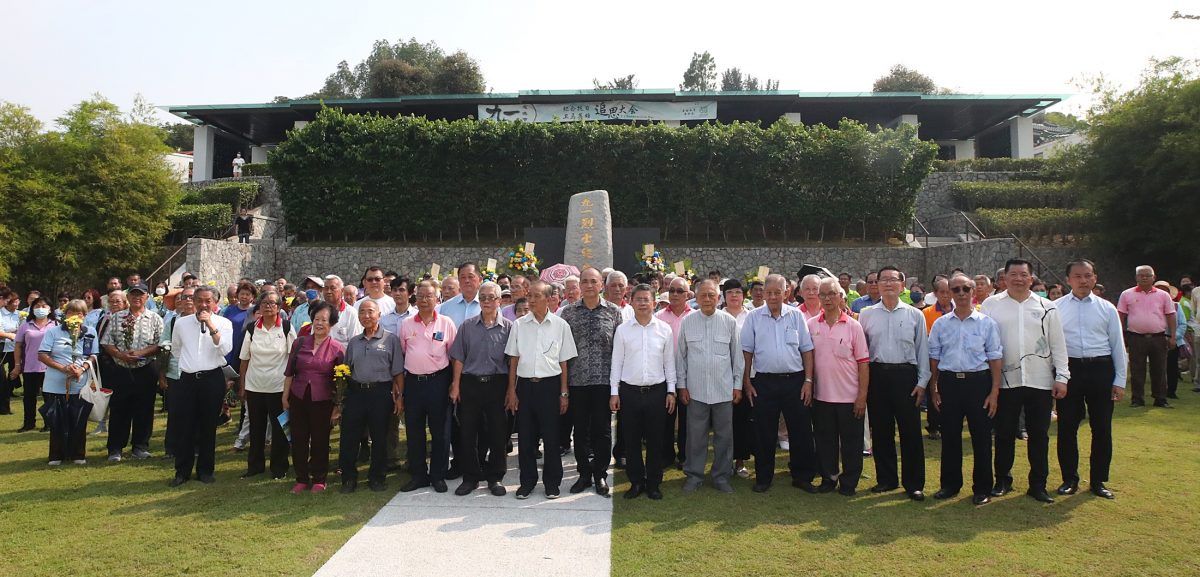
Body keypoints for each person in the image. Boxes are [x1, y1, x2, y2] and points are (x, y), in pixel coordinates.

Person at [981, 259, 1070, 504]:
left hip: (1039, 380)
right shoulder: (991, 305)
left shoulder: (1047, 306)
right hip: (1005, 382)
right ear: (1004, 278)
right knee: (1004, 433)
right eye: (1013, 274)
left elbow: (1058, 344)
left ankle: (1038, 484)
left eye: (1023, 274)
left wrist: (1062, 377)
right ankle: (1002, 480)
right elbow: (984, 342)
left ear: (1031, 278)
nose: (1018, 279)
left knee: (1039, 435)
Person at [928, 274, 1003, 506]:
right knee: (950, 436)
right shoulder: (941, 324)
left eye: (966, 289)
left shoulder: (986, 323)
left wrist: (994, 391)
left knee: (981, 437)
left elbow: (995, 357)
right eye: (956, 289)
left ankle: (982, 488)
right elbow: (934, 357)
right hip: (950, 383)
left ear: (974, 292)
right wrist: (934, 387)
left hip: (978, 383)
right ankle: (950, 485)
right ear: (949, 293)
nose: (961, 294)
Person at [740, 274, 819, 494]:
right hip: (764, 382)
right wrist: (747, 381)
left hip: (795, 381)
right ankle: (764, 477)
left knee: (800, 429)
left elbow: (806, 349)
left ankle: (802, 476)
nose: (773, 296)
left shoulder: (796, 316)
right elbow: (747, 351)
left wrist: (808, 381)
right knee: (764, 431)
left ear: (786, 292)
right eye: (769, 292)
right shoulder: (754, 317)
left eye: (778, 292)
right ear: (763, 293)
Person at [1055, 260, 1126, 500]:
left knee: (1102, 428)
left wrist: (1120, 380)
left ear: (1095, 278)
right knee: (1066, 427)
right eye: (1078, 276)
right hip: (1070, 370)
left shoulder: (1107, 308)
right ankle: (1069, 478)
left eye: (1088, 276)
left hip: (1101, 370)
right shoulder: (1055, 308)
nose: (1083, 281)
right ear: (1068, 279)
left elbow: (1118, 345)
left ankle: (1098, 480)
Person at [859, 266, 930, 501]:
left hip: (906, 376)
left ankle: (914, 483)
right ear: (876, 285)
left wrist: (922, 383)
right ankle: (886, 480)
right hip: (878, 376)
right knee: (881, 431)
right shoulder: (867, 314)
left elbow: (922, 350)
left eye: (893, 280)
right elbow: (863, 352)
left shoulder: (914, 314)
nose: (888, 284)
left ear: (902, 285)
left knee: (910, 432)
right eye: (883, 280)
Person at [504, 281, 577, 499]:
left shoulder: (560, 325)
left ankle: (552, 483)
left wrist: (564, 392)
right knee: (526, 438)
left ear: (549, 298)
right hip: (525, 387)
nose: (532, 300)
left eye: (537, 296)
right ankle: (527, 482)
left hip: (550, 386)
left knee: (551, 438)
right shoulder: (519, 325)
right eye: (530, 295)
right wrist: (511, 390)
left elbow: (564, 362)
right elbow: (513, 360)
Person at [558, 267, 623, 497]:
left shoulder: (614, 312)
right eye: (584, 281)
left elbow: (619, 351)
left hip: (604, 383)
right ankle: (584, 473)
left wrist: (617, 388)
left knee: (602, 431)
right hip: (577, 382)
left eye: (593, 281)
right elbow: (562, 353)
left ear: (601, 285)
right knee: (580, 431)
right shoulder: (567, 313)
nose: (588, 285)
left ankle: (600, 475)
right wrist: (564, 389)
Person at [677, 280, 743, 494]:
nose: (707, 299)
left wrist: (737, 385)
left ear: (718, 298)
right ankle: (694, 475)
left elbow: (737, 357)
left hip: (723, 390)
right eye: (703, 295)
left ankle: (721, 476)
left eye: (711, 295)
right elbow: (681, 357)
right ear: (695, 298)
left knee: (725, 436)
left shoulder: (729, 322)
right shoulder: (688, 322)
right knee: (696, 436)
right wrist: (682, 386)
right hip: (696, 391)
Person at [610, 284, 675, 500]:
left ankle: (654, 482)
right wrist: (614, 392)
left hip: (657, 391)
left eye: (647, 299)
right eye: (638, 299)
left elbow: (670, 363)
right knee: (631, 439)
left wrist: (671, 391)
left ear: (654, 303)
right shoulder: (623, 330)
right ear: (631, 301)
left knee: (656, 439)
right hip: (629, 392)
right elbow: (616, 362)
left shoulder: (664, 329)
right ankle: (636, 482)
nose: (643, 303)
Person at [807, 278, 870, 496]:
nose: (827, 298)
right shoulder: (812, 324)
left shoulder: (854, 326)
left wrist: (861, 396)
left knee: (851, 443)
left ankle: (849, 482)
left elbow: (863, 363)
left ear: (841, 296)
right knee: (825, 441)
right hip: (822, 396)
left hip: (849, 397)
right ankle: (828, 478)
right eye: (822, 294)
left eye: (831, 294)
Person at [448, 281, 511, 496]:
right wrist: (456, 385)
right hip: (470, 384)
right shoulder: (467, 326)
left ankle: (495, 477)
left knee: (498, 433)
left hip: (497, 384)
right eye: (482, 297)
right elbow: (458, 357)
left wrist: (512, 390)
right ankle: (470, 477)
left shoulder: (509, 328)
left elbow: (513, 362)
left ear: (499, 301)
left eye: (490, 297)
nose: (486, 301)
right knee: (467, 433)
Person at [169, 286, 234, 486]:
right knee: (185, 426)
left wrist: (211, 326)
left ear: (215, 303)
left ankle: (205, 470)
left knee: (208, 426)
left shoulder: (224, 323)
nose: (203, 305)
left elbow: (224, 349)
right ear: (193, 302)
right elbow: (176, 349)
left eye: (208, 301)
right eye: (200, 300)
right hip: (187, 379)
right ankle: (182, 471)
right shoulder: (181, 323)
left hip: (211, 379)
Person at [339, 300, 405, 493]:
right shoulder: (354, 342)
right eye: (362, 312)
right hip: (357, 393)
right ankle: (349, 478)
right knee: (349, 437)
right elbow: (346, 369)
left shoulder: (390, 339)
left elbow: (398, 372)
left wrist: (399, 397)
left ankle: (377, 477)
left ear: (379, 315)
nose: (366, 316)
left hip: (381, 393)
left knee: (379, 437)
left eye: (370, 312)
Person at [398, 280, 457, 493]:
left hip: (438, 382)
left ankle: (438, 475)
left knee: (440, 431)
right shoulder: (406, 324)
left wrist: (453, 383)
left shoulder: (446, 323)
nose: (424, 300)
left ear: (436, 299)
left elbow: (454, 356)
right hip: (414, 383)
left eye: (429, 296)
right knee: (414, 431)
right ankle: (419, 475)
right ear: (416, 298)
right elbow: (404, 353)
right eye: (421, 296)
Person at [282, 300, 344, 493]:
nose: (319, 323)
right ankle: (301, 478)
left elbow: (341, 381)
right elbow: (289, 372)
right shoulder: (299, 343)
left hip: (323, 400)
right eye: (316, 319)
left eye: (324, 320)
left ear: (331, 323)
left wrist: (338, 405)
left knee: (320, 440)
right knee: (299, 439)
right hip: (298, 397)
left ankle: (319, 478)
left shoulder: (338, 348)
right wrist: (285, 397)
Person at [99, 283, 164, 461]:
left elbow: (160, 344)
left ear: (147, 298)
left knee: (144, 409)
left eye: (140, 295)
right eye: (133, 294)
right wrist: (120, 354)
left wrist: (141, 353)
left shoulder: (155, 318)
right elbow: (106, 342)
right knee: (119, 409)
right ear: (128, 298)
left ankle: (140, 446)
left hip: (145, 369)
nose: (137, 298)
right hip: (121, 369)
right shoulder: (116, 317)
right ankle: (115, 448)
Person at [237, 291, 296, 480]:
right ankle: (255, 466)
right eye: (264, 303)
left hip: (278, 387)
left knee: (280, 430)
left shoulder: (286, 327)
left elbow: (293, 359)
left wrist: (290, 389)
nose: (268, 306)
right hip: (254, 387)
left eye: (272, 303)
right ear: (259, 306)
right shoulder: (252, 329)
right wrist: (242, 385)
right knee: (256, 428)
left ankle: (279, 468)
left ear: (279, 307)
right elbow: (244, 359)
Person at [37, 299, 98, 465]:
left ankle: (78, 454)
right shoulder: (53, 332)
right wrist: (63, 368)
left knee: (78, 419)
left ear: (84, 316)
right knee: (57, 419)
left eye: (80, 313)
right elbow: (42, 354)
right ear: (66, 315)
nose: (76, 316)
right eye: (72, 312)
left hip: (80, 383)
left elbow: (93, 355)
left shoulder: (90, 331)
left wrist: (82, 369)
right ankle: (57, 454)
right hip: (56, 382)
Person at [1117, 265, 1176, 408]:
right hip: (1136, 337)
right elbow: (1120, 316)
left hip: (1158, 337)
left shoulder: (1163, 295)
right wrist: (1120, 336)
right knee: (1137, 369)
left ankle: (1160, 398)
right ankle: (1137, 399)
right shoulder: (1127, 294)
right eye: (1141, 275)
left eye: (1147, 275)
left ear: (1153, 278)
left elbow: (1171, 315)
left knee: (1160, 369)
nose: (1144, 277)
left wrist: (1173, 336)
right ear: (1136, 277)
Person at [657, 276, 693, 468]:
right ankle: (666, 455)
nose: (675, 294)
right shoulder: (659, 317)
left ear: (688, 294)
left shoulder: (695, 316)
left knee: (687, 419)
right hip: (664, 375)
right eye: (672, 291)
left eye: (680, 291)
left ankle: (685, 455)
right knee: (666, 418)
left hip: (689, 375)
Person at [13, 296, 58, 432]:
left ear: (50, 308)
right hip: (30, 366)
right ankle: (29, 423)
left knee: (49, 397)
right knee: (29, 397)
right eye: (37, 306)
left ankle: (49, 423)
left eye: (44, 306)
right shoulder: (25, 325)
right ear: (32, 308)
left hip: (50, 367)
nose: (40, 309)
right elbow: (18, 345)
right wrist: (17, 364)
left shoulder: (56, 324)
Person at [437, 263, 482, 327]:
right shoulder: (446, 307)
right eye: (463, 277)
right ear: (459, 280)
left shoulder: (489, 305)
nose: (467, 280)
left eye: (470, 277)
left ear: (480, 279)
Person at [0, 289, 21, 414]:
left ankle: (4, 407)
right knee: (2, 378)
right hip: (3, 348)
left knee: (10, 378)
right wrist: (10, 335)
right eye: (8, 300)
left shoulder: (19, 314)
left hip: (13, 348)